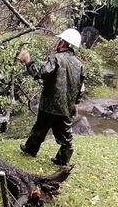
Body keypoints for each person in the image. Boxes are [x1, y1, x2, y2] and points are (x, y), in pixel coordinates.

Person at [18, 28, 85, 166]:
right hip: (66, 107)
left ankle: (30, 150)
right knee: (65, 136)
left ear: (63, 43)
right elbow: (81, 89)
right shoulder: (79, 65)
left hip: (50, 104)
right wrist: (74, 104)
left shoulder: (56, 58)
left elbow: (41, 73)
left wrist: (28, 61)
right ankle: (62, 160)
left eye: (60, 40)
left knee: (39, 129)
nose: (57, 42)